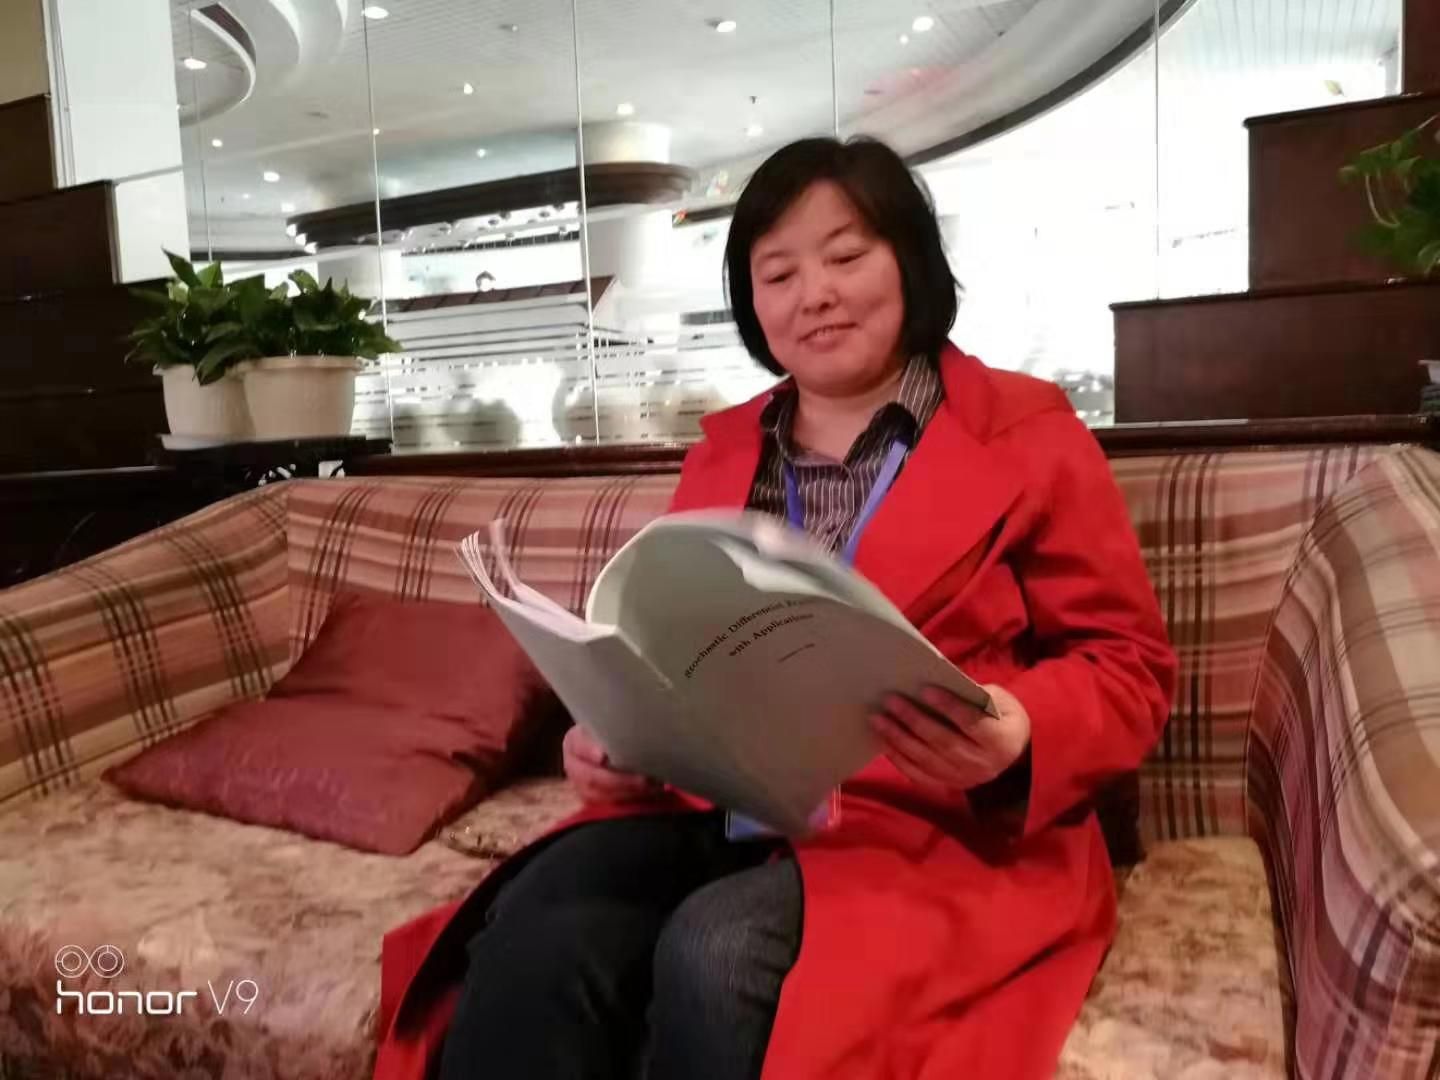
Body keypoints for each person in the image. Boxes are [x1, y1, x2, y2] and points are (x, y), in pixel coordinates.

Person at [372, 137, 1177, 1080]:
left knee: (719, 953)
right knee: (542, 926)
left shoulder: (1028, 434)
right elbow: (670, 657)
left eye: (846, 256)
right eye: (779, 273)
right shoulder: (723, 453)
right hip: (720, 813)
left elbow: (1128, 666)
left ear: (911, 261)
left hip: (935, 833)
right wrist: (614, 740)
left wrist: (1019, 731)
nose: (815, 294)